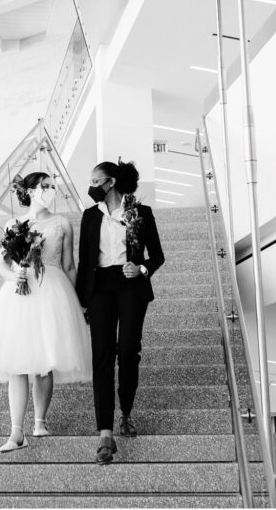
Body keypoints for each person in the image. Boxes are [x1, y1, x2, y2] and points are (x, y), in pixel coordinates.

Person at [0, 172, 92, 452]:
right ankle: (15, 432)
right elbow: (2, 265)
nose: (50, 190)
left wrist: (80, 302)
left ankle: (40, 421)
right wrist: (15, 276)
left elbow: (70, 265)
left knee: (45, 361)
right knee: (16, 365)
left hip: (53, 291)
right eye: (45, 186)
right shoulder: (14, 223)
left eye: (52, 186)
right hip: (19, 296)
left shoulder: (62, 224)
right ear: (31, 191)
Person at [76, 160, 165, 465]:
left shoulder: (141, 213)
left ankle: (126, 411)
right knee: (102, 356)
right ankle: (104, 434)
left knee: (127, 351)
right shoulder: (89, 217)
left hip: (130, 285)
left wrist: (139, 267)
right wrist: (81, 301)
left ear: (111, 182)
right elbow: (85, 260)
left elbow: (158, 256)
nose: (91, 186)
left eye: (95, 180)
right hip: (99, 287)